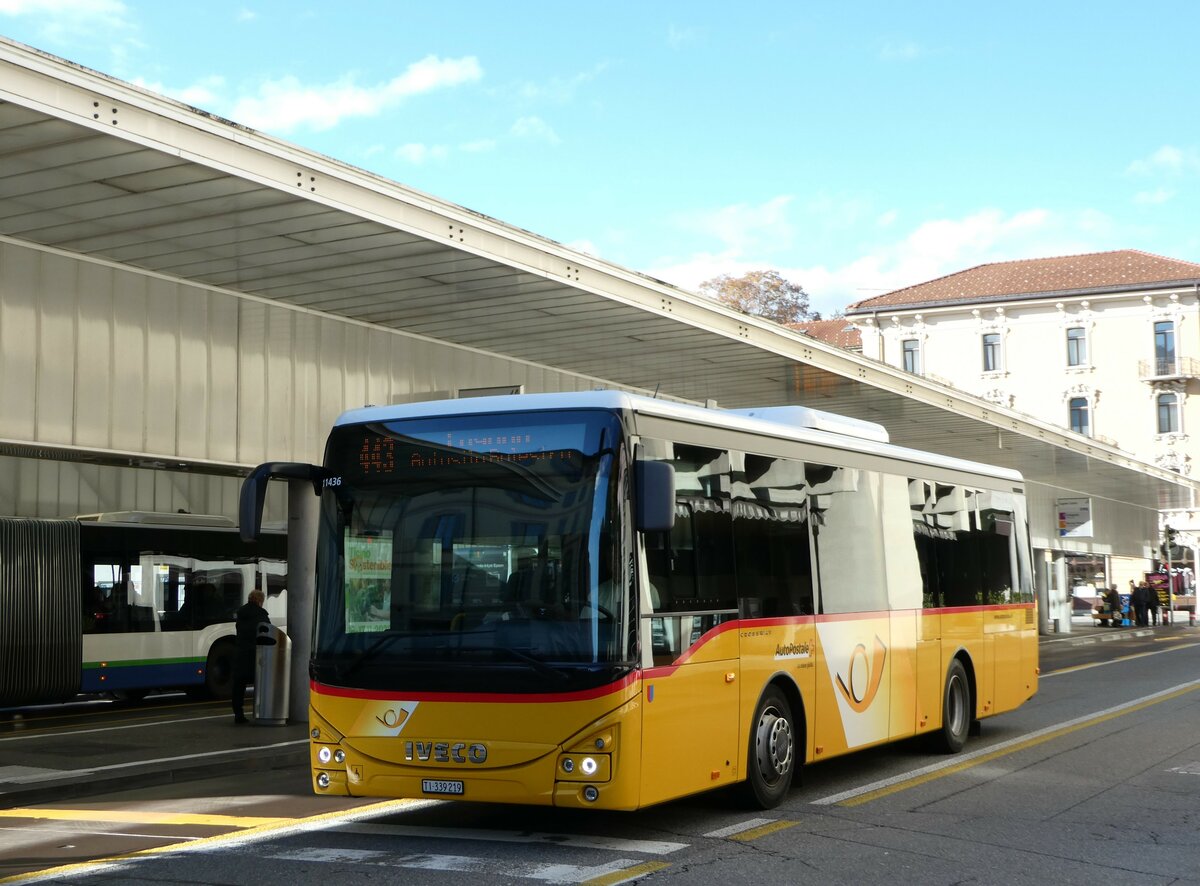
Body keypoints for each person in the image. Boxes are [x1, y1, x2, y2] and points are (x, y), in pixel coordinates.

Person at [231, 589, 270, 724]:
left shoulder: (241, 612)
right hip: (255, 654)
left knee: (239, 685)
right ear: (260, 601)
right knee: (261, 684)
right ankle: (261, 713)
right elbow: (267, 632)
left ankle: (238, 714)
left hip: (241, 652)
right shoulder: (261, 614)